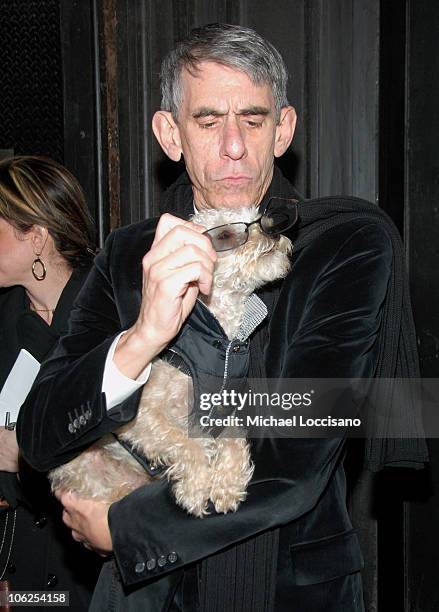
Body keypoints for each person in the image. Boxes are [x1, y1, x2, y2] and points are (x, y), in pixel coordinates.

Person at [16, 24, 426, 612]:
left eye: (253, 121)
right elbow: (39, 431)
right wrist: (140, 341)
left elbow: (302, 444)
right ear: (170, 134)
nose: (233, 145)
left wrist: (127, 527)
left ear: (282, 129)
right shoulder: (128, 254)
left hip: (291, 593)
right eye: (208, 121)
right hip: (145, 598)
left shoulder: (345, 241)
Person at [0, 156, 102, 609]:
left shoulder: (107, 318)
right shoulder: (6, 316)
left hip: (82, 567)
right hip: (16, 563)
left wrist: (22, 457)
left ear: (36, 236)